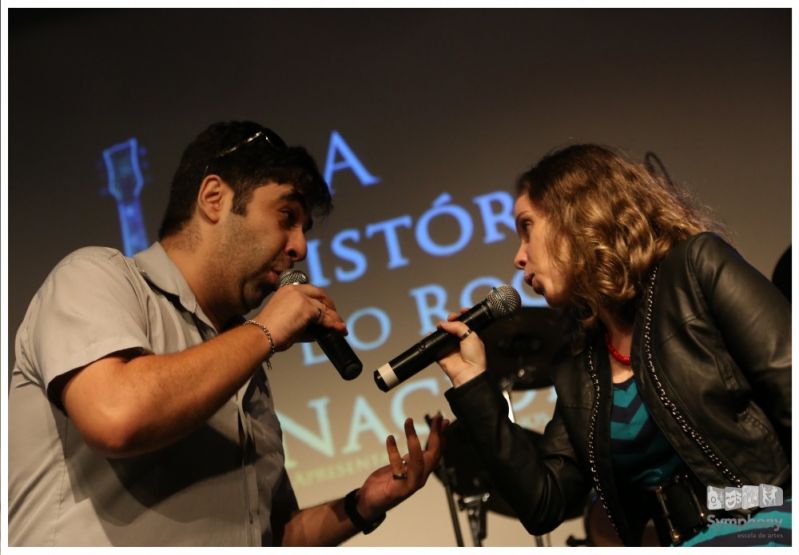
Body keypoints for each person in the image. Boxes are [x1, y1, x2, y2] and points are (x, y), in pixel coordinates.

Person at [8, 121, 444, 546]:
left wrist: (360, 507)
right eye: (287, 216)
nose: (300, 247)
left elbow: (267, 534)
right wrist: (268, 328)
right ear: (214, 198)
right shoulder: (96, 277)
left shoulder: (244, 362)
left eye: (304, 229)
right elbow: (116, 416)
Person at [435, 144, 791, 546]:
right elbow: (543, 504)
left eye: (526, 227)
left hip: (769, 522)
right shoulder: (580, 366)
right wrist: (472, 383)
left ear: (575, 214)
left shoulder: (695, 269)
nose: (519, 257)